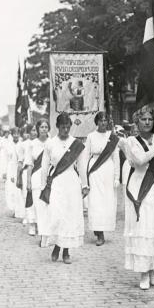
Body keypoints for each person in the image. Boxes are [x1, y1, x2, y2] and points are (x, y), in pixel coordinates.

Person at [120, 106, 154, 289]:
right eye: (143, 120)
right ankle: (143, 273)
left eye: (150, 119)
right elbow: (140, 161)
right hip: (139, 188)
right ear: (137, 122)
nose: (147, 122)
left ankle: (152, 269)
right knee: (142, 228)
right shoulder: (131, 141)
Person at [41, 113, 86, 264]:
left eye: (68, 127)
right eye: (62, 127)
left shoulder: (76, 144)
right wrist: (43, 186)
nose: (65, 130)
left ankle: (66, 251)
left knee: (70, 215)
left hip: (72, 182)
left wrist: (85, 185)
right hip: (57, 182)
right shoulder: (50, 143)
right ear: (57, 127)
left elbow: (81, 166)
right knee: (57, 214)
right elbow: (44, 166)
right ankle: (56, 247)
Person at [82, 112, 119, 246]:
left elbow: (116, 157)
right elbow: (85, 157)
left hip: (108, 170)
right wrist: (85, 177)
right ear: (97, 122)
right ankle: (99, 232)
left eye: (106, 120)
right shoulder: (91, 136)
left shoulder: (112, 137)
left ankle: (101, 229)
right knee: (95, 201)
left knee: (106, 202)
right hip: (95, 171)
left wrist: (117, 177)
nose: (104, 123)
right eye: (101, 120)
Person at [25, 118, 51, 247]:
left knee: (50, 208)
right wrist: (28, 182)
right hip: (36, 178)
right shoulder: (32, 144)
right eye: (42, 127)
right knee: (39, 208)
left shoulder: (52, 142)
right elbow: (29, 164)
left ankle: (50, 234)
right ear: (38, 129)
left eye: (46, 127)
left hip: (49, 179)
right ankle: (43, 235)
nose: (44, 129)